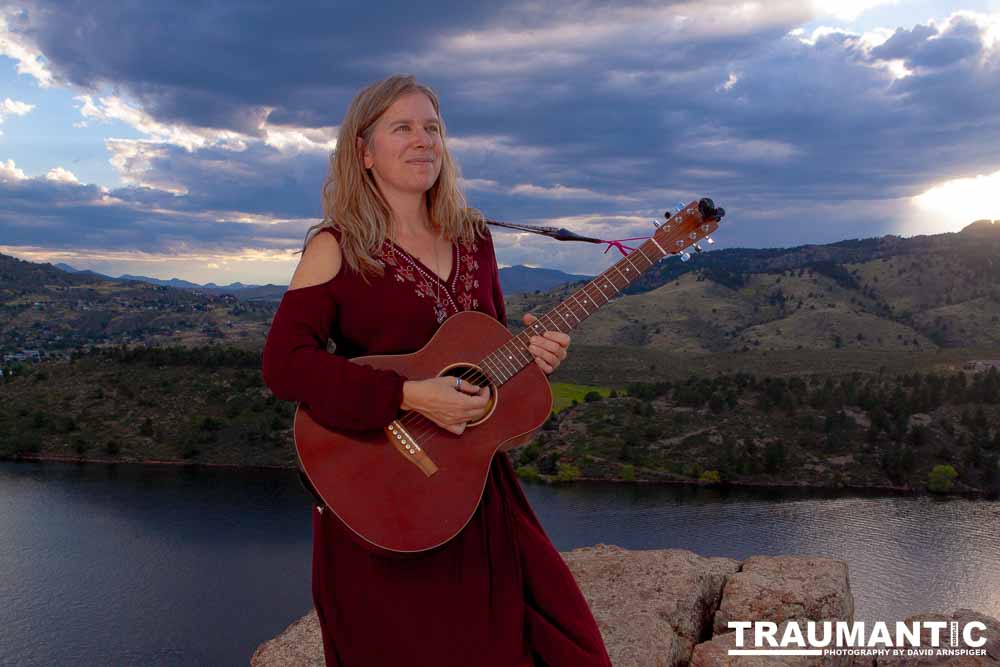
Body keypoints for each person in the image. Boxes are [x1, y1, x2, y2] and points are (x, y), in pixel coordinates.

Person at [262, 74, 612, 667]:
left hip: (474, 490)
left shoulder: (473, 237)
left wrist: (536, 356)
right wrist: (408, 395)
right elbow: (285, 366)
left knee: (561, 645)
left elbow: (491, 356)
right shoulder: (336, 245)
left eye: (433, 128)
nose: (423, 140)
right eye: (402, 128)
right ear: (364, 152)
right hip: (381, 497)